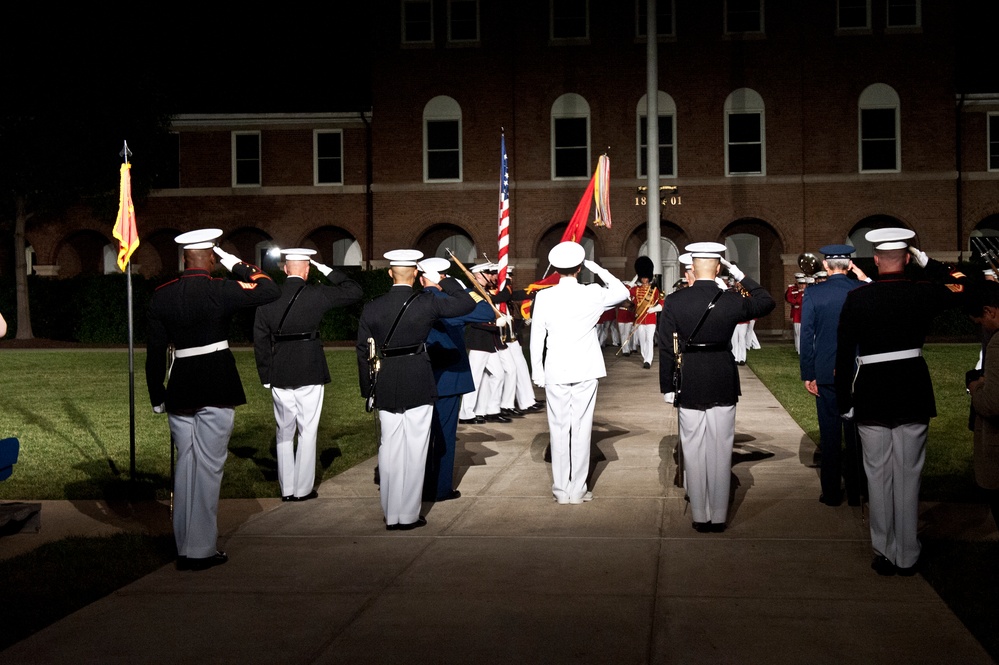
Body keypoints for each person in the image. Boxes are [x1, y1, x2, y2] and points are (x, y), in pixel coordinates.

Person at [146, 228, 280, 571]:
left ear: (183, 258)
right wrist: (236, 264)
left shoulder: (162, 295)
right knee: (208, 468)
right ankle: (200, 550)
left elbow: (156, 351)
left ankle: (184, 544)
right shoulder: (220, 289)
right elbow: (268, 289)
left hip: (179, 387)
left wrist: (156, 392)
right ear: (209, 258)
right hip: (216, 382)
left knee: (186, 465)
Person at [835, 228, 965, 576]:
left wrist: (844, 399)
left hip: (872, 391)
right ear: (907, 259)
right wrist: (930, 263)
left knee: (876, 475)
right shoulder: (923, 293)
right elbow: (968, 287)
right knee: (909, 474)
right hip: (911, 389)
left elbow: (844, 353)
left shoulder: (858, 298)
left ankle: (884, 551)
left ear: (875, 260)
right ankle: (907, 554)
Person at [658, 242, 776, 532]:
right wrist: (738, 273)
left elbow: (665, 347)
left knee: (694, 447)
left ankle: (700, 514)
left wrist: (667, 386)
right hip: (722, 375)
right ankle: (719, 516)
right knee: (722, 447)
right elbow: (766, 301)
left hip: (690, 378)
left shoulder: (675, 301)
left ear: (692, 268)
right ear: (719, 267)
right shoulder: (731, 299)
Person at [356, 250, 474, 530]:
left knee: (389, 447)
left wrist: (368, 389)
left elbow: (363, 350)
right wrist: (443, 281)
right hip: (418, 377)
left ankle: (390, 512)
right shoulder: (427, 303)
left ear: (389, 274)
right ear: (418, 275)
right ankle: (407, 515)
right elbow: (466, 303)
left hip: (386, 379)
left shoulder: (373, 307)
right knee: (416, 449)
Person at [253, 248, 363, 502]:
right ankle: (302, 489)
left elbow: (260, 339)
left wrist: (266, 374)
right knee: (307, 430)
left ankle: (287, 489)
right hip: (309, 367)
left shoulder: (269, 297)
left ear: (284, 269)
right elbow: (354, 291)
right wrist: (325, 269)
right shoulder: (317, 293)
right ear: (307, 269)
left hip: (280, 370)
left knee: (283, 432)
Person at [530, 241, 629, 504]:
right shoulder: (592, 292)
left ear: (556, 268)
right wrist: (598, 268)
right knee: (582, 428)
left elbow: (536, 337)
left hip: (556, 368)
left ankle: (561, 490)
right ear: (579, 268)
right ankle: (578, 490)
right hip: (585, 367)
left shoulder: (545, 296)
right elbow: (622, 292)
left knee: (558, 429)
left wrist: (537, 372)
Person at [420, 257, 496, 501]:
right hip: (449, 377)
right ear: (444, 278)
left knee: (418, 434)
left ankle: (415, 486)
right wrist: (461, 289)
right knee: (444, 433)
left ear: (421, 278)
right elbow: (487, 310)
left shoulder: (416, 300)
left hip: (420, 374)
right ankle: (439, 488)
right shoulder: (453, 303)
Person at [799, 244, 869, 507]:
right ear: (850, 265)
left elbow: (807, 337)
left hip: (827, 371)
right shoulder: (861, 290)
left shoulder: (815, 293)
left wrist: (808, 372)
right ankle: (856, 491)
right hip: (857, 369)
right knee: (855, 437)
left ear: (826, 266)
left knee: (830, 437)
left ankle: (831, 493)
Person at [459, 262, 513, 424]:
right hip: (478, 340)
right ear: (478, 275)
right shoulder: (474, 294)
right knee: (474, 378)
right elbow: (472, 319)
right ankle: (466, 413)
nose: (491, 276)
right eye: (488, 274)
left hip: (489, 341)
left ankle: (490, 410)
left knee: (498, 374)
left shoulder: (483, 292)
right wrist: (493, 323)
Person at [967, 280, 999, 531]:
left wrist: (975, 387)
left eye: (981, 321)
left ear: (990, 311)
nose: (984, 328)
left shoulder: (997, 343)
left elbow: (991, 404)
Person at [628, 256, 664, 369]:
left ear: (648, 277)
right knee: (642, 340)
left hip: (650, 318)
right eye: (642, 277)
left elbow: (662, 303)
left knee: (649, 339)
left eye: (645, 277)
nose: (644, 279)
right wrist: (634, 278)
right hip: (639, 318)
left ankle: (648, 360)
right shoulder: (636, 289)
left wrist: (654, 309)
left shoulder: (654, 290)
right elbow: (626, 290)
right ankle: (645, 357)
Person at [785, 274, 806, 353]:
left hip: (804, 314)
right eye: (800, 283)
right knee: (797, 333)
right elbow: (791, 299)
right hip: (797, 314)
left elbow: (797, 301)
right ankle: (798, 350)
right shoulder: (793, 289)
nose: (801, 285)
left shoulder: (807, 290)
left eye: (803, 283)